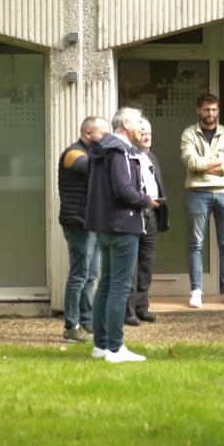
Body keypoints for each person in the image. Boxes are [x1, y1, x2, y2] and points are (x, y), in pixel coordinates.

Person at [84, 107, 157, 363]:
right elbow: (123, 189)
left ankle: (100, 346)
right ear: (126, 123)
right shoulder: (121, 150)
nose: (142, 126)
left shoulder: (102, 148)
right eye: (139, 121)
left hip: (104, 226)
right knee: (119, 286)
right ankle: (115, 348)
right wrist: (146, 199)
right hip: (123, 225)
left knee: (105, 284)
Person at [180, 94, 224, 308]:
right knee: (196, 244)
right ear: (199, 110)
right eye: (207, 109)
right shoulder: (189, 133)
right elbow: (191, 162)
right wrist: (220, 164)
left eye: (214, 109)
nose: (211, 113)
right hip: (197, 193)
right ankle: (196, 291)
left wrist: (204, 165)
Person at [58, 116, 112, 343]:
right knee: (79, 275)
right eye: (103, 133)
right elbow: (93, 169)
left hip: (91, 221)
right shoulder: (73, 153)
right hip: (77, 222)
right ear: (88, 133)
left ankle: (86, 320)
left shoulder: (92, 153)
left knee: (90, 276)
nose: (107, 138)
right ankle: (71, 327)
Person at [125, 117, 169, 327]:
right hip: (133, 215)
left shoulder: (152, 157)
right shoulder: (126, 156)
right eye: (142, 131)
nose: (147, 135)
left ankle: (142, 307)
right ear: (132, 132)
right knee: (130, 265)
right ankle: (129, 310)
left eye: (149, 131)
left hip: (151, 215)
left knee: (146, 264)